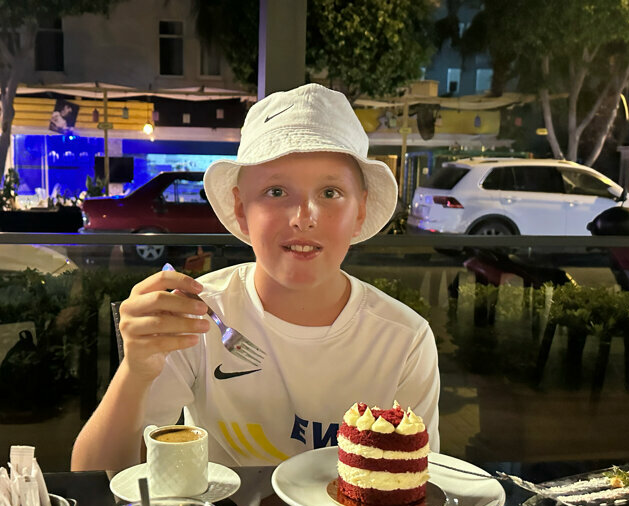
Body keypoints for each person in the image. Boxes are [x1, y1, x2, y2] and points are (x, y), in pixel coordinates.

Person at [70, 83, 440, 472]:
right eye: (276, 191)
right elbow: (94, 474)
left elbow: (416, 482)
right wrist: (136, 371)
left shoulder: (404, 340)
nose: (303, 217)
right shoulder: (197, 316)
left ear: (360, 211)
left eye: (330, 192)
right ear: (240, 209)